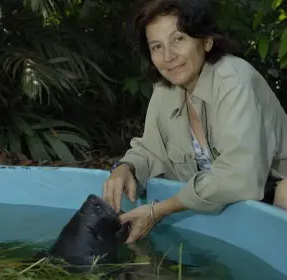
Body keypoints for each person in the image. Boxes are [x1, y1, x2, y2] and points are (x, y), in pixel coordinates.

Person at [102, 0, 287, 244]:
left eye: (178, 39)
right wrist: (126, 168)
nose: (168, 56)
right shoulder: (165, 90)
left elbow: (239, 177)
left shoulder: (234, 80)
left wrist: (161, 209)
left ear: (206, 40)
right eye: (157, 46)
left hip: (273, 197)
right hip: (226, 207)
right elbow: (150, 150)